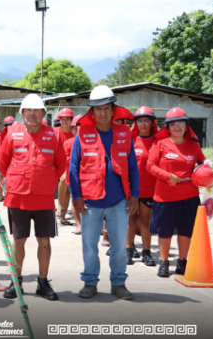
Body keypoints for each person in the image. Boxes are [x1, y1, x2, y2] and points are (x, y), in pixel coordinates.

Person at [69, 85, 139, 301]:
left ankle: (118, 283)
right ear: (92, 112)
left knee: (118, 246)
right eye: (98, 109)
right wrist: (77, 197)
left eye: (106, 108)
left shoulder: (124, 133)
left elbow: (133, 167)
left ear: (113, 110)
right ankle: (90, 282)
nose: (102, 112)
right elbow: (73, 167)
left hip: (119, 201)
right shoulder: (83, 134)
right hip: (91, 201)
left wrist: (135, 195)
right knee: (89, 246)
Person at [0, 94, 66, 301]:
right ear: (22, 113)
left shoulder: (54, 135)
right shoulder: (11, 133)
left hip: (44, 198)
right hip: (18, 197)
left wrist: (43, 180)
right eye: (28, 111)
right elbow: (3, 162)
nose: (32, 114)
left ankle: (43, 283)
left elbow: (60, 164)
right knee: (18, 241)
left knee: (44, 241)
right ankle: (15, 281)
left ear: (44, 114)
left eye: (36, 111)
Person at [147, 107, 208, 277]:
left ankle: (182, 262)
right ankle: (164, 263)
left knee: (185, 231)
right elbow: (150, 166)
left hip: (189, 197)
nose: (177, 127)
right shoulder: (159, 144)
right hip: (165, 196)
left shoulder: (194, 146)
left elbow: (203, 166)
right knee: (164, 231)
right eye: (173, 124)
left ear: (187, 126)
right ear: (167, 127)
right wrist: (168, 176)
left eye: (181, 123)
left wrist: (207, 172)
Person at [126, 107, 159, 266]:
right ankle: (128, 250)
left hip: (150, 188)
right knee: (130, 220)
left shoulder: (158, 140)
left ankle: (147, 253)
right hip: (131, 189)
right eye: (140, 120)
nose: (144, 124)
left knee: (145, 221)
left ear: (152, 122)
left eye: (147, 120)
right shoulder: (130, 139)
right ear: (136, 122)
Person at [63, 115, 83, 234]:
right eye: (77, 127)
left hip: (88, 178)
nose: (79, 129)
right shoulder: (68, 143)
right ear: (73, 129)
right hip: (73, 178)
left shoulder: (91, 142)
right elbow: (65, 160)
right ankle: (79, 224)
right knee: (75, 200)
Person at [55, 109, 75, 225]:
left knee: (67, 190)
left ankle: (63, 216)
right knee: (63, 179)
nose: (64, 121)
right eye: (62, 119)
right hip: (57, 163)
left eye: (67, 119)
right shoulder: (55, 132)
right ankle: (59, 206)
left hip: (69, 163)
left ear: (71, 120)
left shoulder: (74, 133)